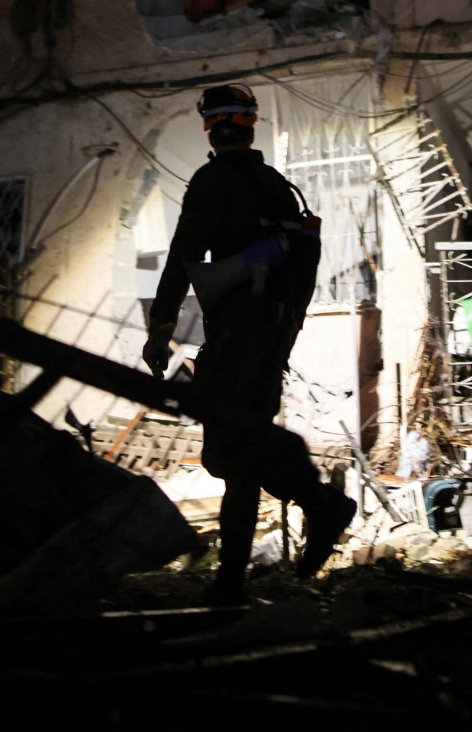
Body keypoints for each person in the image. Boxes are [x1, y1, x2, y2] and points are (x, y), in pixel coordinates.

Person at [143, 82, 356, 604]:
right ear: (250, 124)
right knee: (243, 449)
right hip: (273, 335)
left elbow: (182, 257)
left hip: (236, 334)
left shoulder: (212, 181)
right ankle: (232, 580)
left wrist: (161, 326)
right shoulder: (277, 185)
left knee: (227, 449)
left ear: (210, 128)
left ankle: (319, 502)